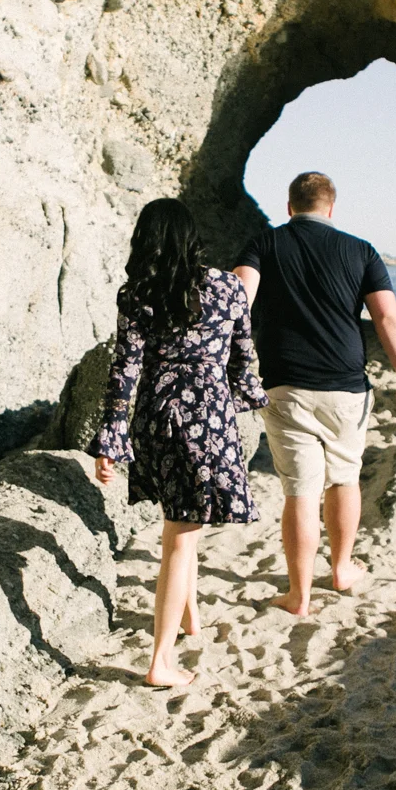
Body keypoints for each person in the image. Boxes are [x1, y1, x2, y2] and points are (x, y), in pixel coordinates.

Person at [92, 198, 269, 687]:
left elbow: (124, 371)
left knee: (183, 521)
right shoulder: (229, 287)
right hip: (206, 417)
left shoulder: (138, 293)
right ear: (193, 238)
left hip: (156, 416)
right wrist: (248, 397)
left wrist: (111, 437)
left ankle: (190, 619)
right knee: (181, 534)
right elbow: (242, 357)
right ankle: (160, 663)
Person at [235, 171, 396, 616]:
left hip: (285, 385)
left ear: (289, 207)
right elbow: (388, 319)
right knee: (344, 478)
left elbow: (237, 297)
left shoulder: (265, 244)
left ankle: (298, 595)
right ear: (331, 208)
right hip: (346, 389)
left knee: (300, 490)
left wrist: (226, 364)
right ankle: (340, 568)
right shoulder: (361, 250)